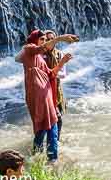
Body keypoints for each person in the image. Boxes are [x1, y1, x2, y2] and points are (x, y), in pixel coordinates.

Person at [16, 30, 78, 162]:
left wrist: (62, 62)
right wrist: (60, 38)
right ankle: (49, 158)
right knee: (49, 124)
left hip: (46, 94)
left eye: (46, 40)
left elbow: (51, 73)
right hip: (38, 94)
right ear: (35, 40)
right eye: (42, 39)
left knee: (47, 125)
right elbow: (41, 48)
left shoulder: (40, 59)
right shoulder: (29, 49)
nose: (45, 42)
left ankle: (39, 157)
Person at [42, 31, 68, 139]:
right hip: (44, 89)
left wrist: (52, 74)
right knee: (50, 118)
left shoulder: (60, 54)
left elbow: (63, 74)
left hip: (56, 88)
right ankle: (48, 142)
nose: (51, 41)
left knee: (59, 117)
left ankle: (56, 139)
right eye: (47, 39)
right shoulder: (40, 55)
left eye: (53, 39)